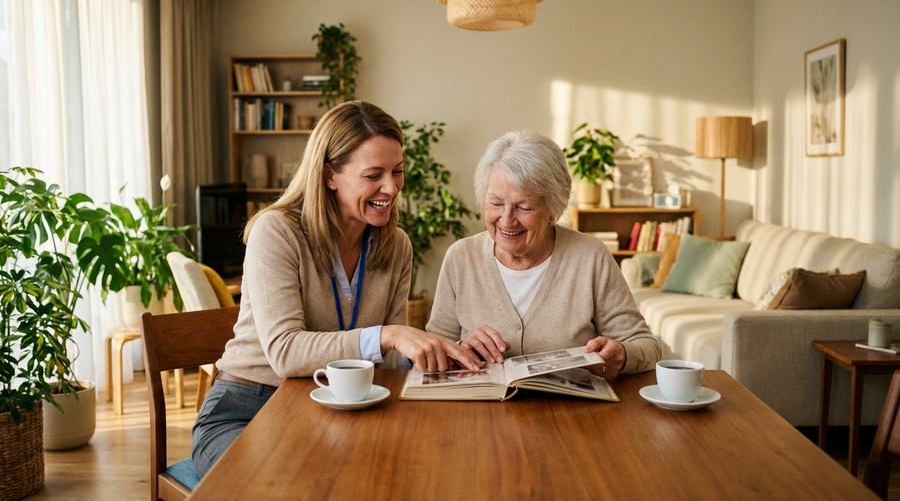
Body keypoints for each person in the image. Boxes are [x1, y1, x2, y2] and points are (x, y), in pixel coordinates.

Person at [192, 101, 480, 477]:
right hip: (247, 408)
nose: (391, 188)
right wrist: (390, 335)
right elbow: (285, 352)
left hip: (339, 406)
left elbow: (390, 363)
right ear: (330, 175)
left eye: (397, 172)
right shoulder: (276, 232)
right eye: (373, 174)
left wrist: (444, 354)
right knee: (301, 481)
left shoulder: (397, 246)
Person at [427, 130, 661, 378]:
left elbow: (647, 346)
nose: (506, 220)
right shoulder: (460, 258)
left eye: (524, 207)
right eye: (496, 204)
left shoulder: (590, 257)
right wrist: (460, 352)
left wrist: (622, 355)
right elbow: (433, 349)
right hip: (484, 413)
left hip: (570, 412)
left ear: (554, 208)